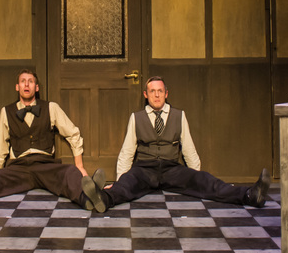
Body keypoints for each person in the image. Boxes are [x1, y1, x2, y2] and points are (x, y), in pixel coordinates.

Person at [82, 76, 271, 211]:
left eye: (160, 91)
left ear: (166, 93)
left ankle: (250, 195)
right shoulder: (136, 117)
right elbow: (127, 152)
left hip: (171, 169)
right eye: (152, 91)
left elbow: (188, 148)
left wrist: (196, 178)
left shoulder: (179, 115)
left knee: (208, 182)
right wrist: (119, 180)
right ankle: (101, 199)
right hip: (144, 169)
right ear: (146, 94)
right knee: (127, 185)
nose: (156, 95)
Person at [0, 69, 106, 211]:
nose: (26, 84)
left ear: (36, 87)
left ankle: (88, 199)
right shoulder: (6, 111)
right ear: (17, 87)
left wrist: (80, 166)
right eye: (23, 81)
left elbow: (73, 133)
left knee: (70, 173)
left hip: (46, 166)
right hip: (18, 167)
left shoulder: (51, 107)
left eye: (30, 81)